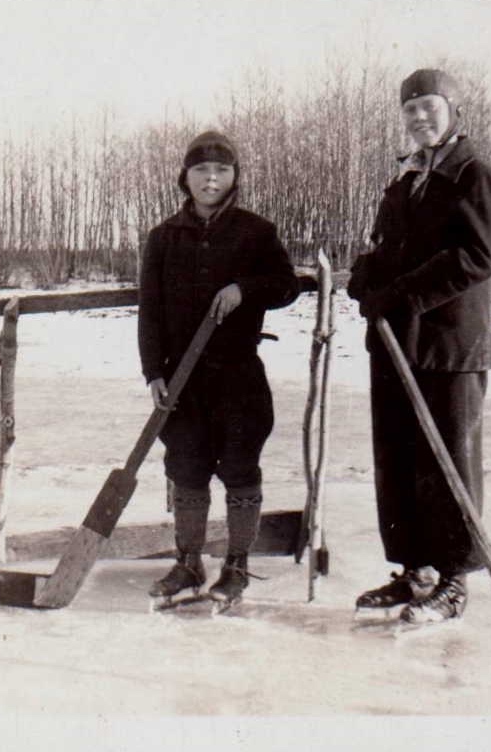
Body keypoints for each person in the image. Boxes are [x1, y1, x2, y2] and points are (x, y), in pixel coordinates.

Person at [348, 69, 491, 625]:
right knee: (399, 459)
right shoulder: (403, 182)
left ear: (453, 110)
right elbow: (386, 248)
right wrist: (364, 277)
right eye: (409, 109)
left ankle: (454, 578)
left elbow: (474, 258)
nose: (419, 118)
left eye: (429, 106)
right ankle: (416, 572)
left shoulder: (472, 175)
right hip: (395, 341)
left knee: (448, 462)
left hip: (447, 344)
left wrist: (399, 295)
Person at [138, 130, 301, 609]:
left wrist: (244, 289)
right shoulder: (164, 237)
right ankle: (189, 563)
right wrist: (153, 373)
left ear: (234, 178)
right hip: (181, 379)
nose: (211, 179)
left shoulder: (256, 231)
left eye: (222, 171)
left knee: (239, 468)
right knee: (186, 469)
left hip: (238, 379)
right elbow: (149, 312)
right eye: (201, 171)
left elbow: (285, 285)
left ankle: (235, 565)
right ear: (185, 178)